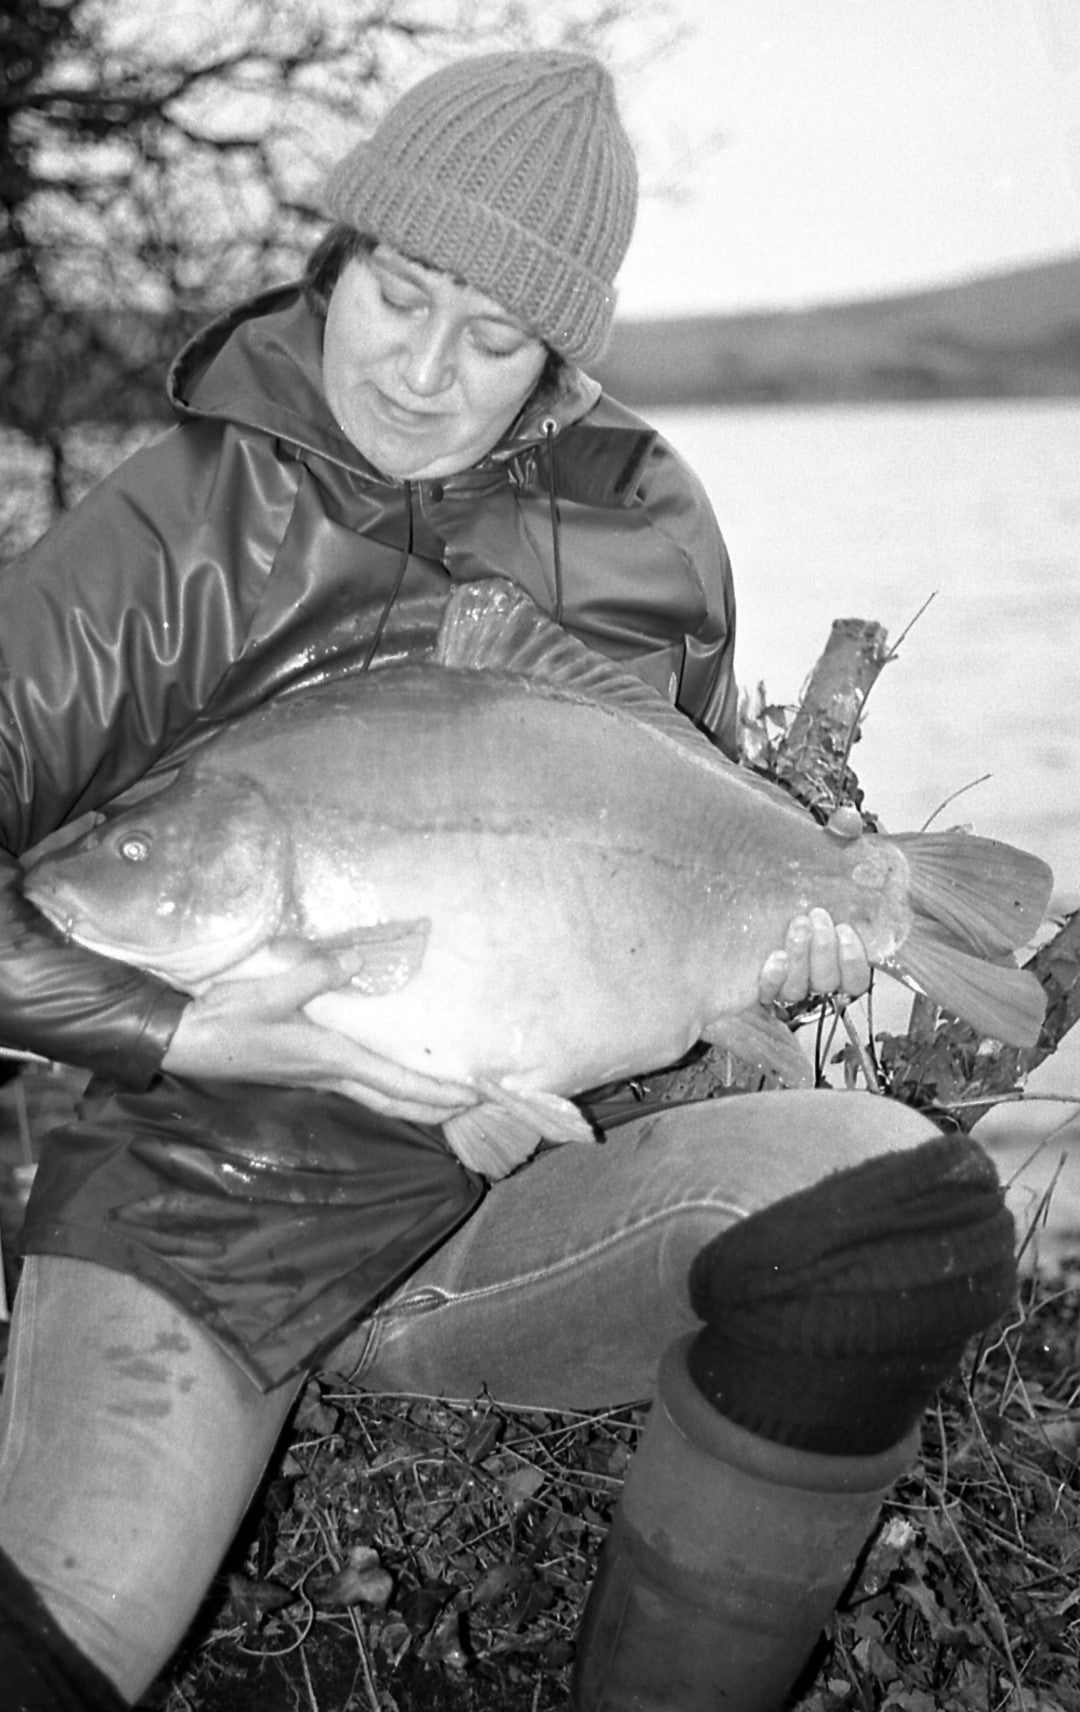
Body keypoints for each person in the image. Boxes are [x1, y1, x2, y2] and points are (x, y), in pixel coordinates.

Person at [0, 50, 1016, 1712]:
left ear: (560, 358)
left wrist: (781, 953)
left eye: (493, 339)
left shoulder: (650, 527)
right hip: (204, 1215)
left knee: (900, 1224)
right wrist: (200, 1038)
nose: (419, 369)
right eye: (399, 296)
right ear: (334, 262)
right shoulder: (168, 526)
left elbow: (670, 871)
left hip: (519, 1195)